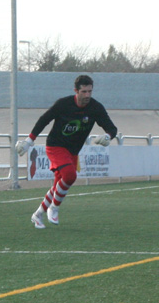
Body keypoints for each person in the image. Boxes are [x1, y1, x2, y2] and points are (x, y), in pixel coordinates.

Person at [15, 74, 118, 229]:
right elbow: (44, 119)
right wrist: (29, 141)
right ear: (76, 90)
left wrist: (108, 136)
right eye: (84, 91)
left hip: (73, 152)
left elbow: (112, 128)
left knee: (58, 185)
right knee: (70, 175)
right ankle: (54, 208)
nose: (87, 95)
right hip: (55, 146)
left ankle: (37, 214)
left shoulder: (95, 107)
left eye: (90, 91)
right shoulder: (64, 104)